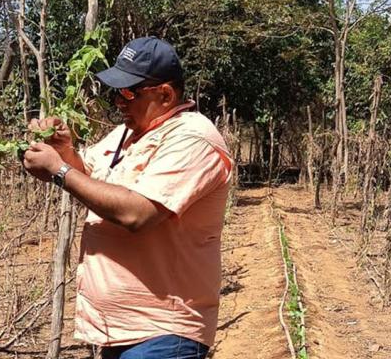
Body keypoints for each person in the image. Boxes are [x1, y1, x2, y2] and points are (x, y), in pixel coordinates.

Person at [22, 36, 233, 359]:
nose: (119, 101)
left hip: (163, 332)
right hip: (116, 330)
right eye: (116, 91)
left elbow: (138, 213)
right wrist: (64, 153)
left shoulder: (193, 138)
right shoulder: (126, 133)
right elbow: (92, 181)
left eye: (129, 92)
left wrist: (60, 171)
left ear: (165, 94)